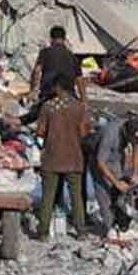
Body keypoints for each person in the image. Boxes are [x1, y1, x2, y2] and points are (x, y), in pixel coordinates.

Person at [35, 75, 90, 239]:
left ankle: (43, 232)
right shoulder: (79, 107)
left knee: (48, 196)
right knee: (76, 197)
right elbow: (83, 131)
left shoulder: (48, 107)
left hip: (52, 156)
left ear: (58, 87)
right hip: (74, 156)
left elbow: (40, 131)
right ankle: (81, 230)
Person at [93, 115, 138, 237]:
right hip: (99, 159)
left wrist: (135, 173)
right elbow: (100, 162)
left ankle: (122, 225)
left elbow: (136, 149)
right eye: (130, 139)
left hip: (116, 158)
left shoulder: (134, 130)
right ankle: (110, 228)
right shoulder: (110, 134)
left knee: (121, 193)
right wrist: (116, 182)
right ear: (125, 132)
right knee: (104, 192)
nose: (132, 141)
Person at [31, 25, 87, 104]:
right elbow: (80, 79)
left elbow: (37, 71)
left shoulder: (45, 52)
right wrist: (84, 100)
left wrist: (33, 90)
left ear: (51, 39)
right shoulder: (72, 56)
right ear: (64, 39)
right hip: (69, 96)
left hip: (48, 95)